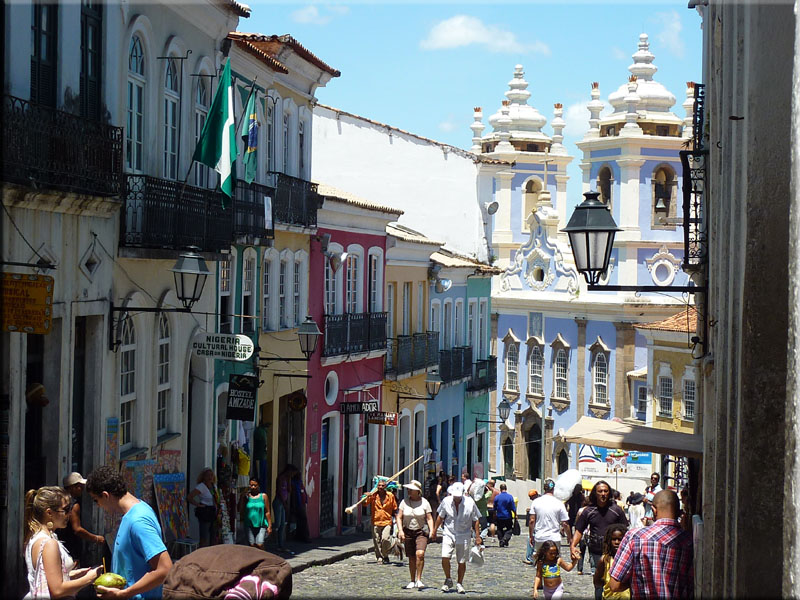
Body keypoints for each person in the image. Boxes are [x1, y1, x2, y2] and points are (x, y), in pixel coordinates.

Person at [86, 466, 172, 600]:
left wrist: (124, 593)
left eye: (96, 500)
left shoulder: (138, 522)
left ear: (105, 495)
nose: (98, 505)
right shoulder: (137, 510)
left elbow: (164, 569)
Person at [608, 490, 694, 598]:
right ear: (679, 512)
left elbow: (614, 585)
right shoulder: (690, 542)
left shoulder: (635, 537)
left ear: (653, 510)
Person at [23, 486, 101, 599]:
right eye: (65, 509)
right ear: (49, 513)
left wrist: (74, 574)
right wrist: (90, 578)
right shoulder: (49, 543)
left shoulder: (37, 538)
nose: (69, 514)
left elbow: (47, 577)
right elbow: (57, 590)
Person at [570, 480, 628, 600]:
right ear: (595, 494)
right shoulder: (588, 511)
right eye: (600, 491)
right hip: (596, 550)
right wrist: (573, 545)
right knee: (599, 581)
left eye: (605, 491)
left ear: (609, 493)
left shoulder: (616, 510)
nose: (603, 494)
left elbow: (625, 531)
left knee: (613, 578)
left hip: (615, 553)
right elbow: (579, 530)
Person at [431, 482, 482, 594]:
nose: (457, 498)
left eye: (459, 496)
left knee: (461, 561)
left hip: (464, 534)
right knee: (445, 556)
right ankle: (448, 579)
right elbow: (440, 516)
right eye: (455, 496)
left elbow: (476, 519)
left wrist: (477, 536)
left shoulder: (470, 502)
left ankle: (459, 583)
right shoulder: (446, 501)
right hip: (449, 532)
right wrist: (434, 530)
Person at [59, 472, 105, 568]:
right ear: (72, 487)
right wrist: (96, 538)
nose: (82, 489)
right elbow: (77, 529)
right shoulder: (74, 505)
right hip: (70, 548)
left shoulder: (59, 501)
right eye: (79, 486)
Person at [397, 480, 434, 589]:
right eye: (408, 489)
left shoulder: (425, 502)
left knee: (420, 554)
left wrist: (432, 530)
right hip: (408, 531)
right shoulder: (404, 502)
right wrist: (400, 530)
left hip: (420, 532)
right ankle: (412, 580)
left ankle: (419, 579)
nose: (409, 491)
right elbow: (399, 517)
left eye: (411, 489)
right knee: (412, 557)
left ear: (417, 491)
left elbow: (429, 518)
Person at [530, 479, 570, 557]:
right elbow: (565, 523)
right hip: (554, 538)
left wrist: (531, 535)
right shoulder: (559, 503)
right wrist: (569, 536)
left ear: (544, 488)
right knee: (554, 562)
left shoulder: (536, 502)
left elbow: (532, 520)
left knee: (540, 560)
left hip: (540, 537)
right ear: (553, 489)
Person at [363, 479, 398, 564]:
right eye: (379, 485)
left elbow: (395, 508)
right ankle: (379, 557)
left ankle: (385, 555)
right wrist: (366, 497)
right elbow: (364, 504)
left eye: (382, 485)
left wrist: (397, 520)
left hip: (387, 521)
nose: (381, 487)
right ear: (377, 486)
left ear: (386, 487)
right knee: (377, 541)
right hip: (376, 521)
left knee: (385, 539)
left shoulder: (390, 496)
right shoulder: (373, 496)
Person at [593, 524, 630, 600]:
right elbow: (597, 582)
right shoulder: (605, 559)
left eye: (620, 539)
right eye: (614, 539)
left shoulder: (630, 559)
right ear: (609, 540)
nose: (617, 542)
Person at [187, 468, 220, 547]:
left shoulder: (214, 486)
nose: (210, 477)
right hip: (205, 512)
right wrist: (198, 504)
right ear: (203, 477)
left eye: (211, 475)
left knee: (214, 535)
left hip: (214, 512)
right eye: (208, 475)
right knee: (204, 536)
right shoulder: (201, 486)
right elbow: (189, 497)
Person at [238, 477, 272, 550]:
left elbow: (267, 511)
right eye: (251, 485)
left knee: (260, 543)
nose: (253, 487)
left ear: (258, 486)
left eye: (255, 485)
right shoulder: (246, 497)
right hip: (249, 524)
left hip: (261, 524)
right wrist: (241, 497)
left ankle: (263, 557)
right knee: (252, 544)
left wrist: (269, 525)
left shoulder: (263, 496)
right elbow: (240, 509)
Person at [272, 465, 293, 552]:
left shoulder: (286, 479)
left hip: (283, 503)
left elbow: (289, 490)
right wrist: (284, 504)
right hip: (279, 502)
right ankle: (268, 532)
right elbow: (279, 491)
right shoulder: (280, 478)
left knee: (282, 525)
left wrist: (289, 480)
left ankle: (281, 545)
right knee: (277, 524)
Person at [574, 498, 594, 576]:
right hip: (591, 533)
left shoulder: (580, 510)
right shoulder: (594, 510)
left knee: (581, 552)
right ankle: (593, 569)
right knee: (591, 552)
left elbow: (577, 522)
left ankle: (580, 569)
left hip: (582, 534)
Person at [289, 468, 310, 542]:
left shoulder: (299, 482)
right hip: (297, 504)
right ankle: (303, 537)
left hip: (301, 504)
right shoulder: (293, 483)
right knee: (301, 520)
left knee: (302, 520)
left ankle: (302, 536)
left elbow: (303, 492)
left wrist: (305, 501)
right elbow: (295, 495)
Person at [493, 482, 516, 547]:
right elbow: (513, 507)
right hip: (508, 515)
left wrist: (494, 515)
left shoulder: (497, 497)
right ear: (506, 488)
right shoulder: (510, 497)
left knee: (499, 529)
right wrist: (515, 514)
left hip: (499, 516)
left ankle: (501, 540)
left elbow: (494, 507)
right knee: (509, 529)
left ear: (500, 489)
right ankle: (505, 539)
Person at [523, 489, 540, 565]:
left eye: (531, 497)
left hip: (538, 525)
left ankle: (530, 558)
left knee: (530, 539)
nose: (530, 499)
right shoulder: (542, 500)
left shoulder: (536, 502)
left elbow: (532, 519)